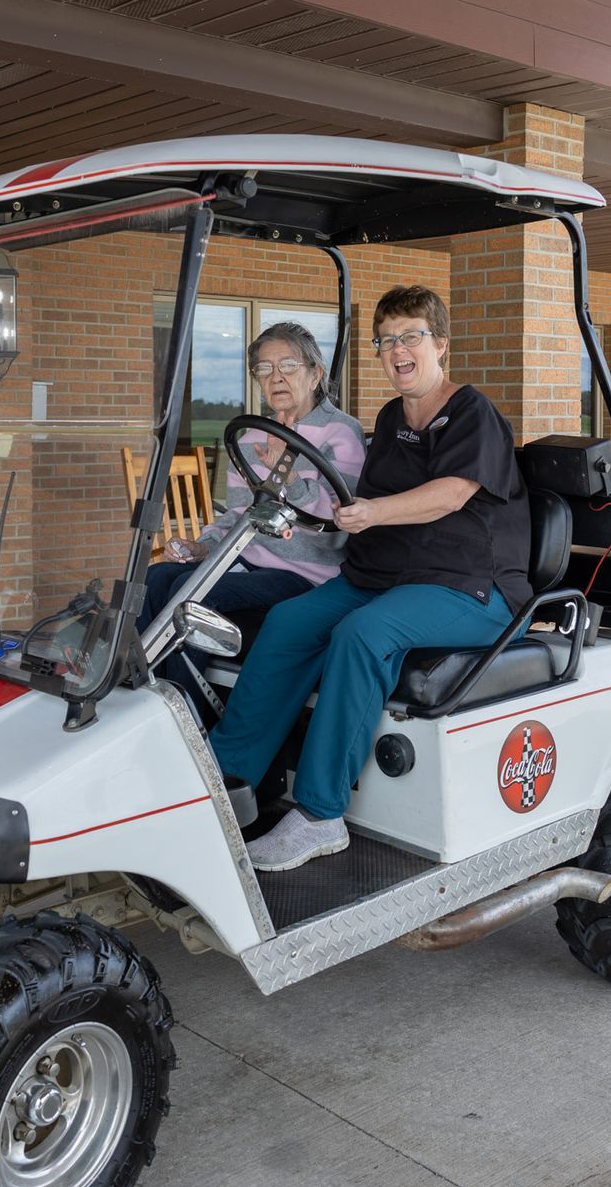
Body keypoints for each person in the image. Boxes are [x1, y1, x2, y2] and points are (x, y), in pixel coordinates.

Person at [208, 286, 532, 871]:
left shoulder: (471, 413)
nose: (397, 350)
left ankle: (318, 815)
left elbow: (448, 495)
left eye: (411, 337)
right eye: (387, 341)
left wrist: (372, 513)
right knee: (289, 621)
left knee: (362, 634)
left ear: (440, 346)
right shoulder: (389, 416)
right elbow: (354, 499)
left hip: (470, 588)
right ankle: (224, 780)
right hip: (389, 574)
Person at [138, 321, 364, 714]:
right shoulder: (250, 437)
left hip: (306, 575)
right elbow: (239, 518)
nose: (275, 377)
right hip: (248, 562)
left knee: (190, 598)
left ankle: (188, 717)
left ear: (315, 373)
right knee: (155, 578)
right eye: (264, 369)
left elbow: (335, 529)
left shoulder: (341, 433)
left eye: (288, 366)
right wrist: (202, 545)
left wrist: (287, 477)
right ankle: (142, 695)